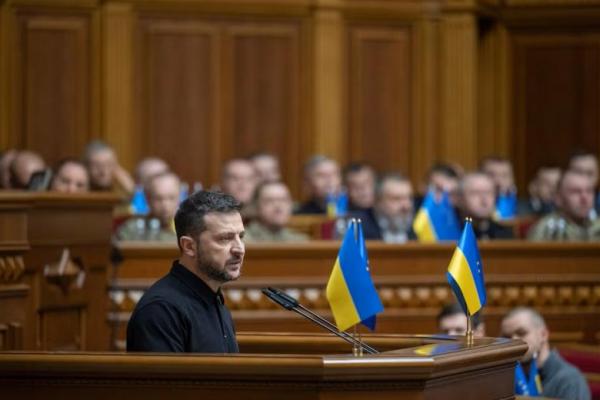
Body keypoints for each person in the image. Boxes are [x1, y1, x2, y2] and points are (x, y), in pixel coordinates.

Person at [127, 190, 244, 353]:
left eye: (241, 237)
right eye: (225, 238)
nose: (239, 249)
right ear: (189, 246)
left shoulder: (215, 300)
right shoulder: (161, 310)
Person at [501, 307, 590, 400]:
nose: (513, 341)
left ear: (543, 334)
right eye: (506, 336)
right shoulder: (504, 377)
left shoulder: (570, 381)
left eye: (522, 333)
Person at [528, 170, 600, 241]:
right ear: (558, 198)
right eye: (576, 191)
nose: (584, 197)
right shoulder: (546, 230)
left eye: (589, 191)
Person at [117, 172, 181, 241]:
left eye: (171, 198)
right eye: (158, 198)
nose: (165, 204)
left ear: (179, 198)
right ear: (147, 198)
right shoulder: (131, 230)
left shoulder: (188, 229)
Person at [356, 173, 416, 242]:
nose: (406, 206)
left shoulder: (419, 227)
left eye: (409, 198)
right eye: (397, 199)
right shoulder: (359, 229)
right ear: (377, 201)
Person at [244, 181, 308, 242]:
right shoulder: (242, 241)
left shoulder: (301, 241)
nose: (278, 206)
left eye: (283, 200)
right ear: (256, 206)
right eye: (270, 201)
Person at [457, 172, 513, 239]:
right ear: (460, 198)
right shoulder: (450, 233)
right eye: (475, 193)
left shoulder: (505, 235)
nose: (484, 200)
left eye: (488, 192)